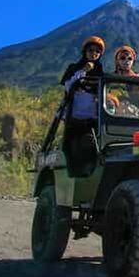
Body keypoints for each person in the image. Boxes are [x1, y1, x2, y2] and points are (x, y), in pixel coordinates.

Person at [60, 36, 105, 176]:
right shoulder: (74, 68)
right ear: (85, 51)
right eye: (91, 50)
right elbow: (68, 86)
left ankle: (88, 176)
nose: (94, 53)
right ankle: (74, 176)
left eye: (98, 51)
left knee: (91, 146)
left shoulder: (100, 72)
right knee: (73, 146)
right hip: (74, 116)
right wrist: (83, 71)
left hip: (92, 117)